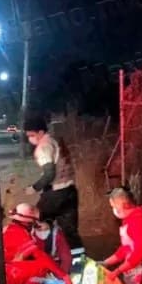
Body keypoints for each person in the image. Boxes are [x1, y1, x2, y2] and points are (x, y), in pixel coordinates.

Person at [3, 203, 103, 284]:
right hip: (30, 280)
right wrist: (63, 275)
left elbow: (57, 256)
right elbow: (43, 257)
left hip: (34, 281)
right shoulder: (23, 234)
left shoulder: (17, 231)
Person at [23, 114, 85, 269]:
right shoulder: (55, 140)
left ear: (39, 132)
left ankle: (38, 262)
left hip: (55, 194)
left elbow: (49, 173)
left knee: (34, 221)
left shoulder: (43, 146)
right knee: (70, 231)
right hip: (70, 192)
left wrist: (34, 187)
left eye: (31, 135)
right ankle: (79, 264)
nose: (30, 139)